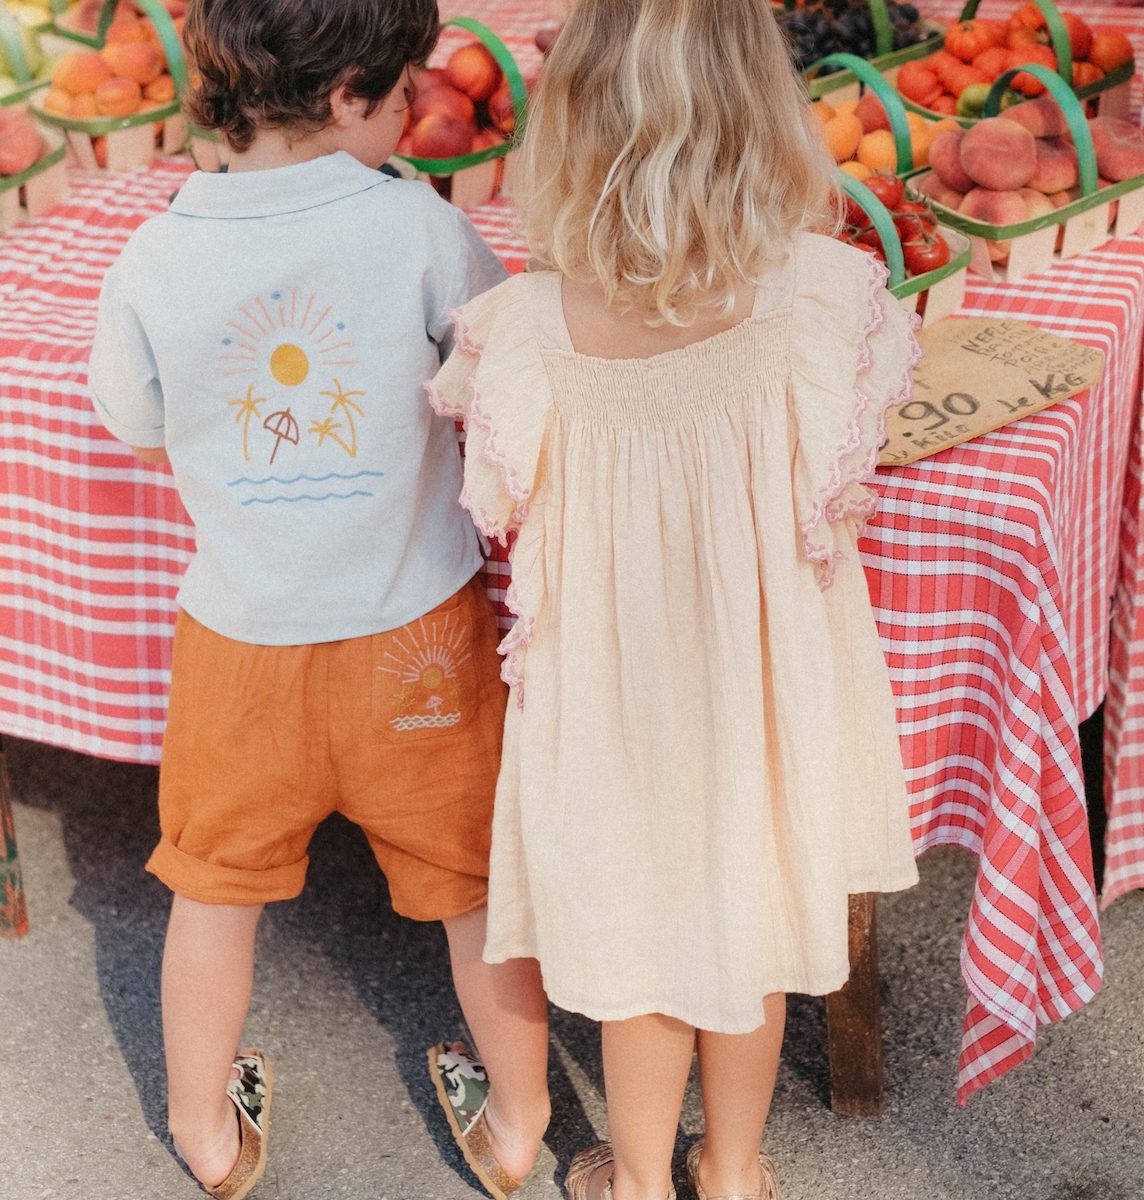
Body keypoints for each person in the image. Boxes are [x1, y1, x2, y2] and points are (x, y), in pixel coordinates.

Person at [428, 1, 923, 1197]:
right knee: (749, 923)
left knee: (640, 947)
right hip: (761, 691)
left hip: (612, 701)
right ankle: (734, 1169)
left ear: (571, 129)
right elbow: (855, 461)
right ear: (767, 116)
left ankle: (639, 1180)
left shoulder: (525, 333)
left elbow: (493, 497)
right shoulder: (823, 299)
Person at [87, 1, 549, 1197]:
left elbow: (135, 422)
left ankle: (205, 1133)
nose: (413, 111)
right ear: (349, 94)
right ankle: (518, 1125)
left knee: (211, 891)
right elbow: (502, 372)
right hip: (418, 641)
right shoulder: (420, 225)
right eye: (404, 90)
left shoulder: (151, 256)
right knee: (476, 894)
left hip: (243, 646)